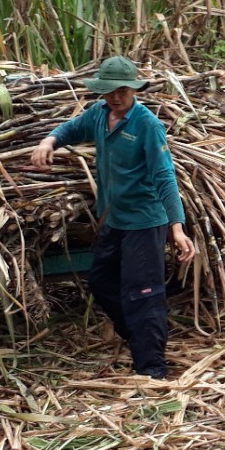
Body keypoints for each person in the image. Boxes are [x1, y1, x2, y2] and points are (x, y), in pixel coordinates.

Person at [31, 56, 195, 380]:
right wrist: (48, 140)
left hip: (146, 222)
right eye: (109, 91)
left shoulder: (147, 125)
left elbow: (164, 176)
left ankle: (152, 369)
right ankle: (139, 335)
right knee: (101, 281)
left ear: (133, 88)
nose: (115, 97)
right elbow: (71, 129)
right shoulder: (99, 114)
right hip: (115, 219)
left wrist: (177, 227)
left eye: (121, 90)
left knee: (143, 294)